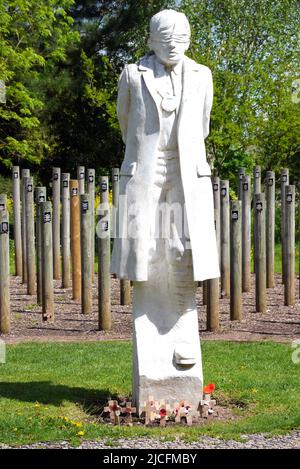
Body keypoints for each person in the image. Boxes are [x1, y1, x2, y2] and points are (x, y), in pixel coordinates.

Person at [111, 9, 219, 403]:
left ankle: (182, 342)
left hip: (186, 172)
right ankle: (154, 348)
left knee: (183, 251)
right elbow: (127, 122)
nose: (173, 43)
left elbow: (202, 125)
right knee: (147, 252)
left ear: (189, 39)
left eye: (181, 36)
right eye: (165, 37)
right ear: (152, 40)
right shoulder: (132, 75)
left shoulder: (202, 75)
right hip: (147, 171)